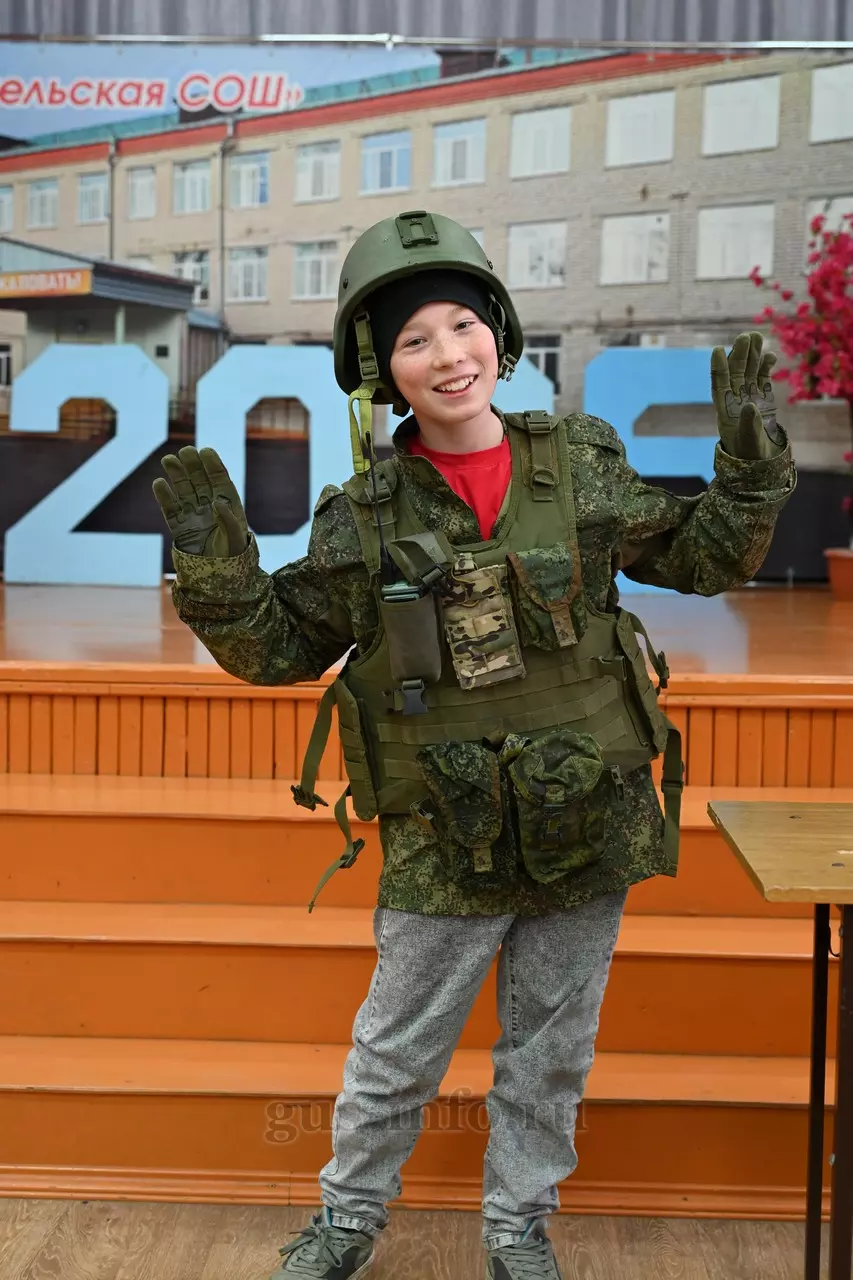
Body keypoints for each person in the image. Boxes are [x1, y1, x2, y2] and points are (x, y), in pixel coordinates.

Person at [153, 211, 796, 1280]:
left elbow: (702, 559)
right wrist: (218, 564)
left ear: (498, 330)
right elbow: (277, 648)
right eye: (415, 340)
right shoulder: (362, 513)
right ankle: (347, 1221)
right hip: (444, 829)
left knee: (552, 1048)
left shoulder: (582, 464)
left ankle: (517, 1229)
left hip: (586, 812)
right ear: (380, 369)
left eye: (463, 325)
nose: (448, 355)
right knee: (397, 1047)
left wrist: (748, 467)